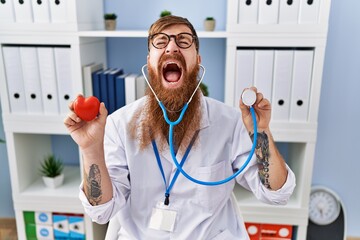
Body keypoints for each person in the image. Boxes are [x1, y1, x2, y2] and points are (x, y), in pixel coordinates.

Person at [64, 15, 295, 239]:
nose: (172, 47)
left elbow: (276, 194)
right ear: (149, 62)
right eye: (161, 41)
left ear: (198, 60)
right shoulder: (119, 124)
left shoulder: (230, 122)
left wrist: (262, 131)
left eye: (183, 41)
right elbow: (101, 211)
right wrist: (90, 149)